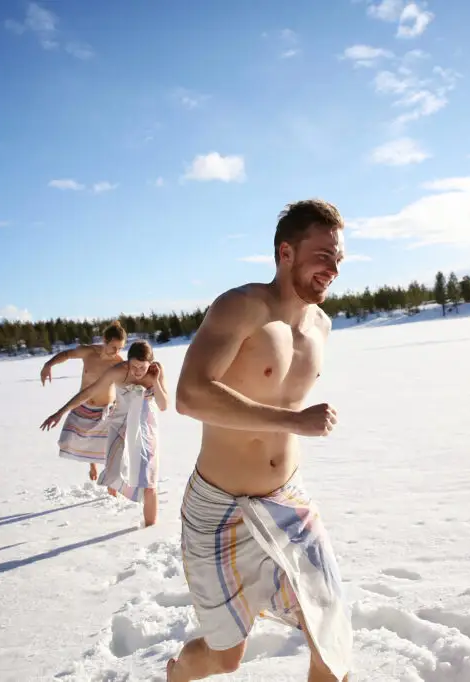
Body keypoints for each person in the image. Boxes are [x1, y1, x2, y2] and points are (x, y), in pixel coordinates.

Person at [168, 199, 351, 682]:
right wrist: (292, 422)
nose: (333, 268)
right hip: (217, 507)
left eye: (338, 258)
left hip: (287, 499)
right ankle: (175, 673)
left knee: (330, 636)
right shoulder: (242, 307)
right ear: (286, 252)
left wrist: (296, 424)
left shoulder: (321, 326)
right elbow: (189, 395)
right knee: (224, 656)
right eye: (323, 255)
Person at [40, 340, 168, 526]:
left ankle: (149, 529)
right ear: (128, 361)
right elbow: (89, 392)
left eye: (142, 367)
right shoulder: (117, 371)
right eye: (134, 366)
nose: (138, 371)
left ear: (151, 363)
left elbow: (164, 406)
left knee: (149, 482)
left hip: (145, 429)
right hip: (120, 426)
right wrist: (60, 412)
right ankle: (125, 492)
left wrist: (156, 382)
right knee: (115, 474)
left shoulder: (156, 372)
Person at [40, 322, 127, 481]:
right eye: (114, 347)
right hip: (83, 405)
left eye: (120, 348)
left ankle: (111, 481)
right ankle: (92, 464)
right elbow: (66, 355)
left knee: (110, 447)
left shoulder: (118, 362)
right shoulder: (88, 352)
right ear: (104, 341)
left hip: (106, 409)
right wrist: (48, 364)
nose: (117, 352)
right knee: (73, 440)